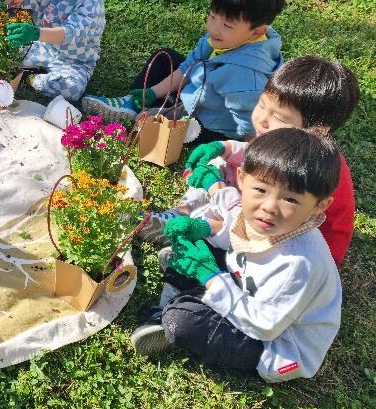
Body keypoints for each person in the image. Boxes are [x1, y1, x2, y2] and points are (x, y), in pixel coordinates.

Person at [131, 129, 343, 382]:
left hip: (274, 343)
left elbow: (264, 326)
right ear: (241, 178)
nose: (269, 207)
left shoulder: (299, 264)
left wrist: (210, 277)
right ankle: (168, 308)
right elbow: (236, 229)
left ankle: (175, 312)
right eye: (261, 189)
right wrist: (203, 229)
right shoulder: (268, 220)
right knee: (195, 244)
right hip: (247, 287)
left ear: (319, 205)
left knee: (184, 320)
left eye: (290, 200)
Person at [141, 56, 359, 265]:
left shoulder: (310, 169)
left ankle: (201, 236)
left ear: (317, 131)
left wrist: (216, 188)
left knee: (233, 193)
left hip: (285, 245)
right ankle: (182, 213)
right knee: (219, 164)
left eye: (279, 117)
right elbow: (252, 155)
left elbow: (263, 221)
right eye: (262, 105)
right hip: (273, 219)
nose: (262, 120)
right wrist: (224, 148)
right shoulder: (291, 143)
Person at [82, 0, 285, 142]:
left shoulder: (245, 75)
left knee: (154, 122)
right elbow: (190, 66)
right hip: (199, 91)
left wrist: (237, 150)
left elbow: (248, 124)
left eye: (227, 25)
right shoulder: (224, 38)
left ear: (257, 32)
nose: (214, 28)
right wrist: (151, 92)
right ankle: (134, 102)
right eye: (212, 16)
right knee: (165, 57)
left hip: (208, 124)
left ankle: (141, 113)